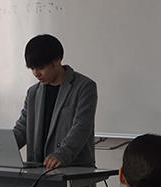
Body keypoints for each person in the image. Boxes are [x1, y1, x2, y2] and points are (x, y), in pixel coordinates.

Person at [12, 33, 98, 168]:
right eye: (32, 68)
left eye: (41, 67)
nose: (36, 73)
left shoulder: (84, 87)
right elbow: (22, 129)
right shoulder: (33, 92)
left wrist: (62, 154)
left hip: (72, 170)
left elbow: (82, 127)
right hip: (37, 171)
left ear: (57, 61)